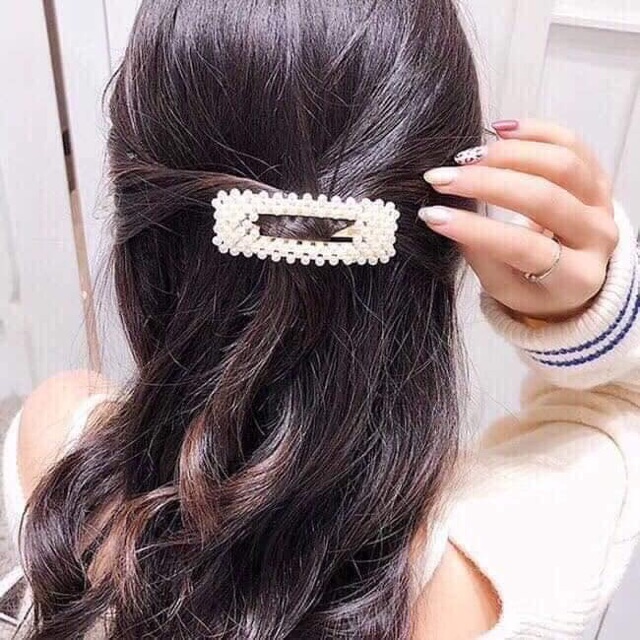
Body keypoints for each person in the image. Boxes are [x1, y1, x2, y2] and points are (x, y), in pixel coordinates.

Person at [4, 0, 639, 638]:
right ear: (457, 227)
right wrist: (587, 316)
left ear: (137, 215)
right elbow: (623, 405)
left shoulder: (58, 461)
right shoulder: (523, 552)